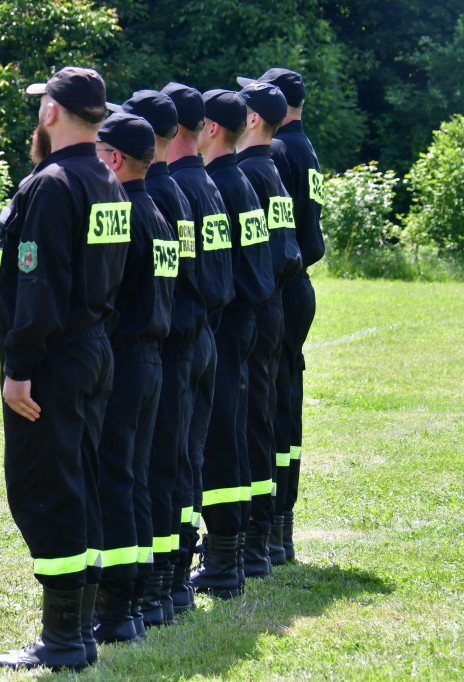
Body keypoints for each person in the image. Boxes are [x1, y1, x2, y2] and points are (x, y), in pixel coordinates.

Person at [0, 66, 128, 672]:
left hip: (53, 359)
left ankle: (64, 639)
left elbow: (38, 283)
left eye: (40, 104)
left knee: (49, 491)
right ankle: (80, 629)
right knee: (81, 487)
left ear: (51, 112)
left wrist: (19, 367)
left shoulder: (52, 184)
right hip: (92, 350)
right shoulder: (107, 179)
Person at [91, 111, 177, 638]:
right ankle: (147, 597)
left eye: (98, 151)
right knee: (137, 477)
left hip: (124, 361)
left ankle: (118, 609)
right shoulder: (159, 213)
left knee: (115, 479)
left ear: (115, 158)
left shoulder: (123, 213)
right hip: (153, 359)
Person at [121, 89, 204, 618]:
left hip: (166, 346)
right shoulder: (179, 192)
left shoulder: (153, 196)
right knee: (179, 461)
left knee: (157, 468)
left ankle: (158, 588)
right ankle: (170, 584)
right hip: (190, 337)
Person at [241, 68, 325, 563]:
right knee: (284, 402)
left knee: (269, 406)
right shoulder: (303, 145)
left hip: (281, 286)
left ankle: (271, 524)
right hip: (297, 286)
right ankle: (279, 527)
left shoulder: (277, 152)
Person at [196, 89, 274, 594]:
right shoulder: (240, 180)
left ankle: (226, 561)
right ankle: (245, 548)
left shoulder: (221, 185)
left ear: (210, 129)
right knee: (238, 430)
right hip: (249, 316)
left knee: (222, 435)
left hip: (229, 322)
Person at [161, 82, 234, 596]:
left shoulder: (182, 189)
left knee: (170, 458)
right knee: (188, 456)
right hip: (208, 331)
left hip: (181, 340)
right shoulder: (206, 184)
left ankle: (169, 578)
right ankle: (181, 571)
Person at [235, 81, 303, 576]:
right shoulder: (274, 168)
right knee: (272, 413)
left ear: (254, 119)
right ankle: (273, 534)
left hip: (260, 307)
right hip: (280, 298)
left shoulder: (252, 173)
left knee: (253, 417)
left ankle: (260, 535)